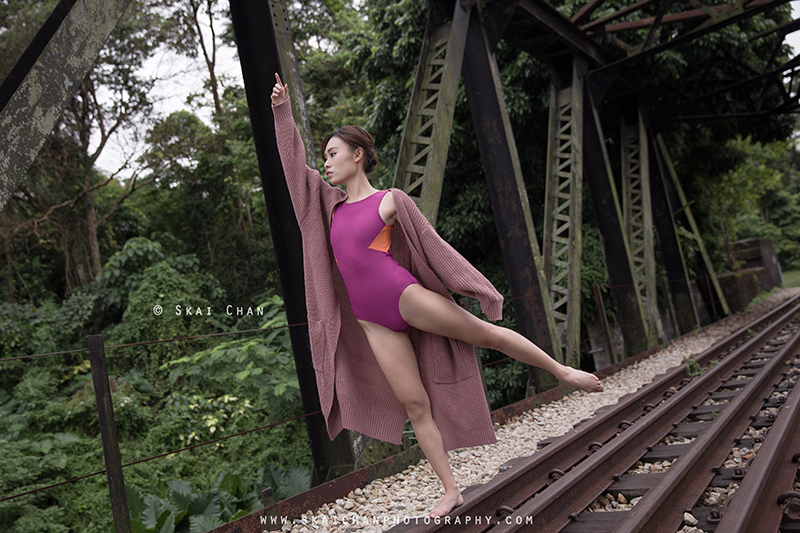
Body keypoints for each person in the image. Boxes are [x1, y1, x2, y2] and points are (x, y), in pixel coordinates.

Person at [270, 73, 602, 518]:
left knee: (487, 335)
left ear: (358, 155)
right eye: (325, 156)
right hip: (372, 321)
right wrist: (282, 113)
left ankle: (563, 372)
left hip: (403, 296)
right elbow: (294, 168)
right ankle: (450, 490)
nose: (326, 163)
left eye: (333, 154)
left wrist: (477, 288)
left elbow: (436, 250)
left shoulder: (390, 201)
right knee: (414, 403)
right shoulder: (325, 206)